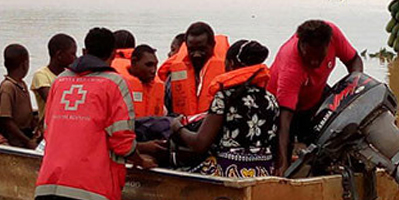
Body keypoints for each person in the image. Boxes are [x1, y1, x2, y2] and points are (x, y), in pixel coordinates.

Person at [35, 27, 155, 200]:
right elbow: (122, 141)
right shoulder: (115, 84)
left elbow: (48, 130)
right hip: (92, 191)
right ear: (112, 55)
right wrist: (140, 159)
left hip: (51, 185)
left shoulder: (60, 81)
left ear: (84, 50)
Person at [268, 20, 364, 176]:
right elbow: (284, 122)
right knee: (285, 162)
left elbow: (354, 61)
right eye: (309, 56)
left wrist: (353, 91)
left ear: (329, 45)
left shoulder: (333, 35)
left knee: (343, 132)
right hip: (283, 109)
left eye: (320, 57)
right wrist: (283, 163)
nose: (314, 62)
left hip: (316, 92)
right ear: (301, 45)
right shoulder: (291, 67)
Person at [171, 40, 279, 177]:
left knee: (180, 172)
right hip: (264, 170)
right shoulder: (270, 99)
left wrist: (177, 127)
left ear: (231, 64)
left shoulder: (225, 97)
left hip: (230, 170)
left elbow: (200, 144)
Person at [159, 22, 230, 116]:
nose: (196, 54)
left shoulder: (228, 75)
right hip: (182, 126)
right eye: (191, 50)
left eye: (202, 49)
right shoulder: (173, 77)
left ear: (213, 45)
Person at [0, 44, 38, 149]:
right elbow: (5, 120)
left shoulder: (21, 85)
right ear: (25, 64)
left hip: (25, 133)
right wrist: (27, 141)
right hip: (14, 140)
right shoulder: (8, 87)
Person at [31, 33, 77, 121]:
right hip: (50, 127)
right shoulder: (41, 75)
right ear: (59, 55)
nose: (75, 58)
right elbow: (52, 100)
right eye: (72, 54)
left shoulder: (71, 75)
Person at [119, 44, 166, 118]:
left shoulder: (158, 87)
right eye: (148, 65)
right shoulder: (118, 85)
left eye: (155, 65)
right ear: (134, 62)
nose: (153, 70)